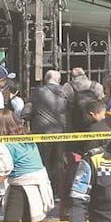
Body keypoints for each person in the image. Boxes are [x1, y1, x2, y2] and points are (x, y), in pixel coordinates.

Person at [29, 69, 71, 200]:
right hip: (60, 132)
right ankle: (57, 192)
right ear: (59, 81)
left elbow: (27, 111)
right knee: (58, 163)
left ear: (45, 79)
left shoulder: (38, 91)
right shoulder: (66, 93)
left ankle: (44, 191)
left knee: (43, 162)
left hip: (42, 132)